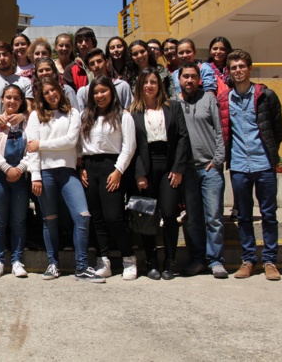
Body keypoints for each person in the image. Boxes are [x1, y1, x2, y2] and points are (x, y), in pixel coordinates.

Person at [217, 49, 282, 280]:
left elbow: (277, 130)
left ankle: (270, 261)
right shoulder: (224, 100)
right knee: (244, 215)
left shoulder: (266, 95)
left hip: (263, 163)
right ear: (229, 71)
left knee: (269, 214)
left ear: (249, 68)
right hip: (238, 166)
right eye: (234, 67)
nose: (238, 71)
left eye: (242, 66)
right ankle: (248, 261)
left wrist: (269, 152)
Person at [27, 77, 102, 282]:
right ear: (41, 96)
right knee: (50, 219)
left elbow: (70, 142)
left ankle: (81, 267)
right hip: (45, 173)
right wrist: (35, 175)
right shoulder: (35, 116)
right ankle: (53, 264)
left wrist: (41, 144)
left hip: (68, 172)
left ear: (60, 91)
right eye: (46, 92)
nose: (51, 94)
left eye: (54, 90)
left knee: (83, 216)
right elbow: (30, 149)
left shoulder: (72, 113)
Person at [130, 67, 190, 280]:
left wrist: (178, 168)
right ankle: (151, 261)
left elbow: (183, 138)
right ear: (140, 86)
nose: (149, 86)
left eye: (153, 82)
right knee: (146, 215)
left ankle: (169, 261)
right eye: (145, 82)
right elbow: (132, 146)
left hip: (169, 166)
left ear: (160, 85)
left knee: (169, 215)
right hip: (145, 168)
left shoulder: (173, 107)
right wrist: (139, 174)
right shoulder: (133, 112)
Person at [78, 75, 137, 280]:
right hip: (90, 168)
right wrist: (81, 167)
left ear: (112, 92)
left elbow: (129, 147)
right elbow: (79, 145)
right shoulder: (86, 115)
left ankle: (129, 258)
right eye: (95, 92)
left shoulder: (122, 115)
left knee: (114, 217)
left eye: (103, 91)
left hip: (112, 168)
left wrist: (118, 171)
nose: (100, 95)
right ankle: (103, 260)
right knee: (97, 218)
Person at [176, 62, 227, 278]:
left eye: (193, 77)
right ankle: (197, 259)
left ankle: (215, 260)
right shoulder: (174, 103)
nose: (189, 80)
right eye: (185, 76)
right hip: (187, 171)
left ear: (199, 79)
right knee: (193, 218)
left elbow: (220, 131)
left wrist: (217, 160)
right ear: (179, 79)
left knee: (213, 216)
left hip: (209, 168)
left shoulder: (208, 99)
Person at [0, 84, 31, 278]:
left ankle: (17, 261)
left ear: (21, 102)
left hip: (21, 176)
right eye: (8, 97)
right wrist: (6, 168)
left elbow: (33, 149)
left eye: (16, 98)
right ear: (2, 99)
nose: (12, 101)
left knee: (19, 220)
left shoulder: (28, 123)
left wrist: (19, 169)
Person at [0, 41, 34, 124]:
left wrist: (22, 116)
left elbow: (30, 109)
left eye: (5, 54)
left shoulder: (25, 82)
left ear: (12, 56)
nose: (2, 58)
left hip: (20, 132)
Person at [63, 27, 97, 91]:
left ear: (93, 42)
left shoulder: (103, 64)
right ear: (76, 45)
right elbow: (70, 95)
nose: (83, 44)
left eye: (87, 40)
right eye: (80, 41)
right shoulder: (70, 69)